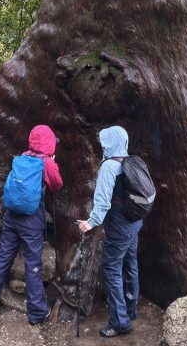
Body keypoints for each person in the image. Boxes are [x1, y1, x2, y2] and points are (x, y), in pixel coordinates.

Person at [0, 124, 63, 325]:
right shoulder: (47, 163)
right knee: (33, 264)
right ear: (50, 143)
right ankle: (37, 312)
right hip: (31, 219)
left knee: (3, 257)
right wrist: (53, 164)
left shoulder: (22, 158)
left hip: (11, 215)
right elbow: (57, 185)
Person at [78, 125, 141, 338]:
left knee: (112, 269)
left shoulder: (109, 167)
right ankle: (131, 310)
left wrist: (91, 222)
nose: (102, 144)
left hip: (120, 226)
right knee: (130, 263)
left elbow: (103, 201)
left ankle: (120, 322)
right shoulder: (131, 161)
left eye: (105, 141)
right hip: (135, 223)